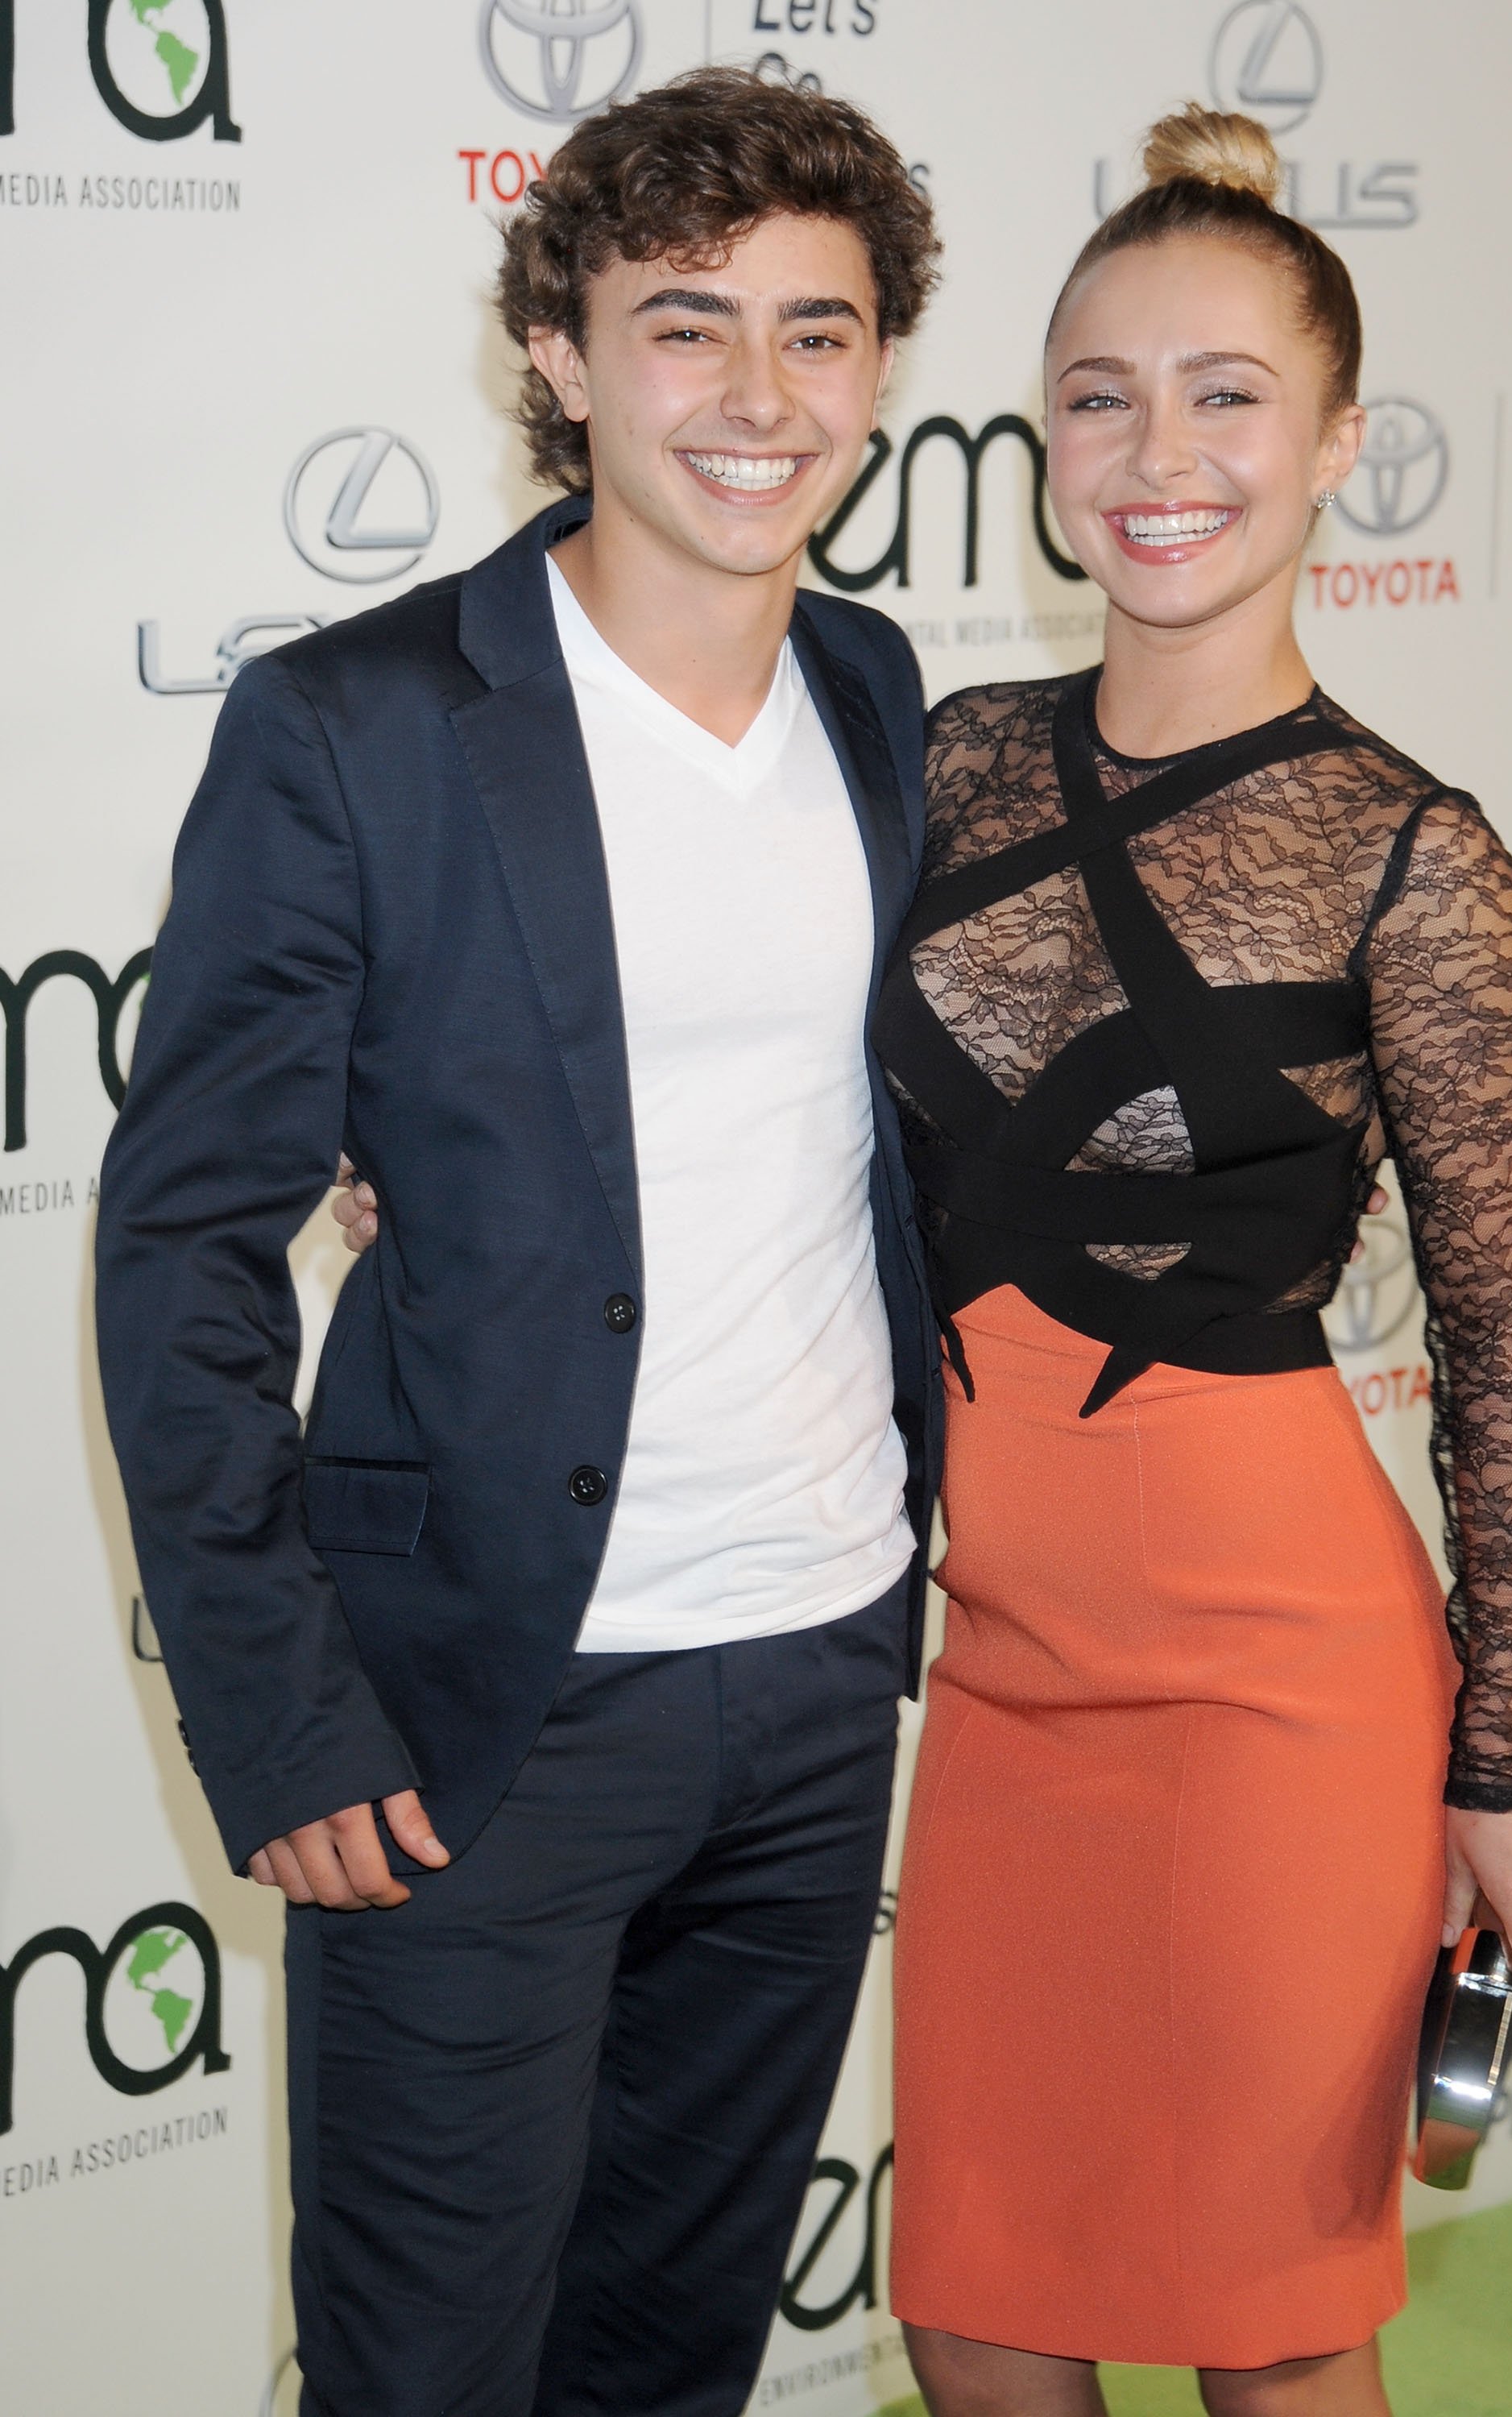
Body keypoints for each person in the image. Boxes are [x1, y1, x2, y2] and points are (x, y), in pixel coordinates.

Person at [93, 68, 942, 2417]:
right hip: (483, 1714)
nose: (757, 396)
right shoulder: (355, 727)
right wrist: (277, 1707)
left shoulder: (877, 695)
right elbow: (177, 1245)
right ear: (557, 354)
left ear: (880, 369)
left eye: (819, 329)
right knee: (427, 2378)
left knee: (667, 2357)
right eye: (687, 324)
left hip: (811, 1669)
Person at [874, 110, 1512, 2417]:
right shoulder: (940, 761)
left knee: (1267, 2343)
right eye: (1099, 392)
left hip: (1285, 1691)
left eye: (1226, 395)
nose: (1155, 452)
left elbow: (1501, 1348)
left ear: (1339, 444)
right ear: (1040, 438)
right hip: (1003, 1675)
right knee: (976, 2305)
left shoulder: (1418, 862)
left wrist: (1511, 1758)